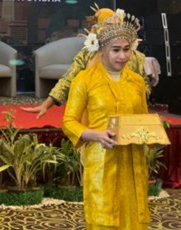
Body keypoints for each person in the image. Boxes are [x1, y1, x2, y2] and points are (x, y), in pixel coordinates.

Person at [62, 8, 150, 229]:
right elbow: (69, 122)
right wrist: (96, 135)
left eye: (127, 50)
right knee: (104, 218)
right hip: (102, 160)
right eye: (116, 50)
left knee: (133, 217)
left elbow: (142, 119)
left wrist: (151, 134)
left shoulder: (137, 81)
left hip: (133, 161)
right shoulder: (85, 80)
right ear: (101, 50)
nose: (122, 56)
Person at [21, 7, 156, 119]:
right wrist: (46, 104)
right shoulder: (88, 54)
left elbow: (144, 89)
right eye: (107, 30)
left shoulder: (135, 57)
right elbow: (68, 79)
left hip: (127, 117)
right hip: (94, 116)